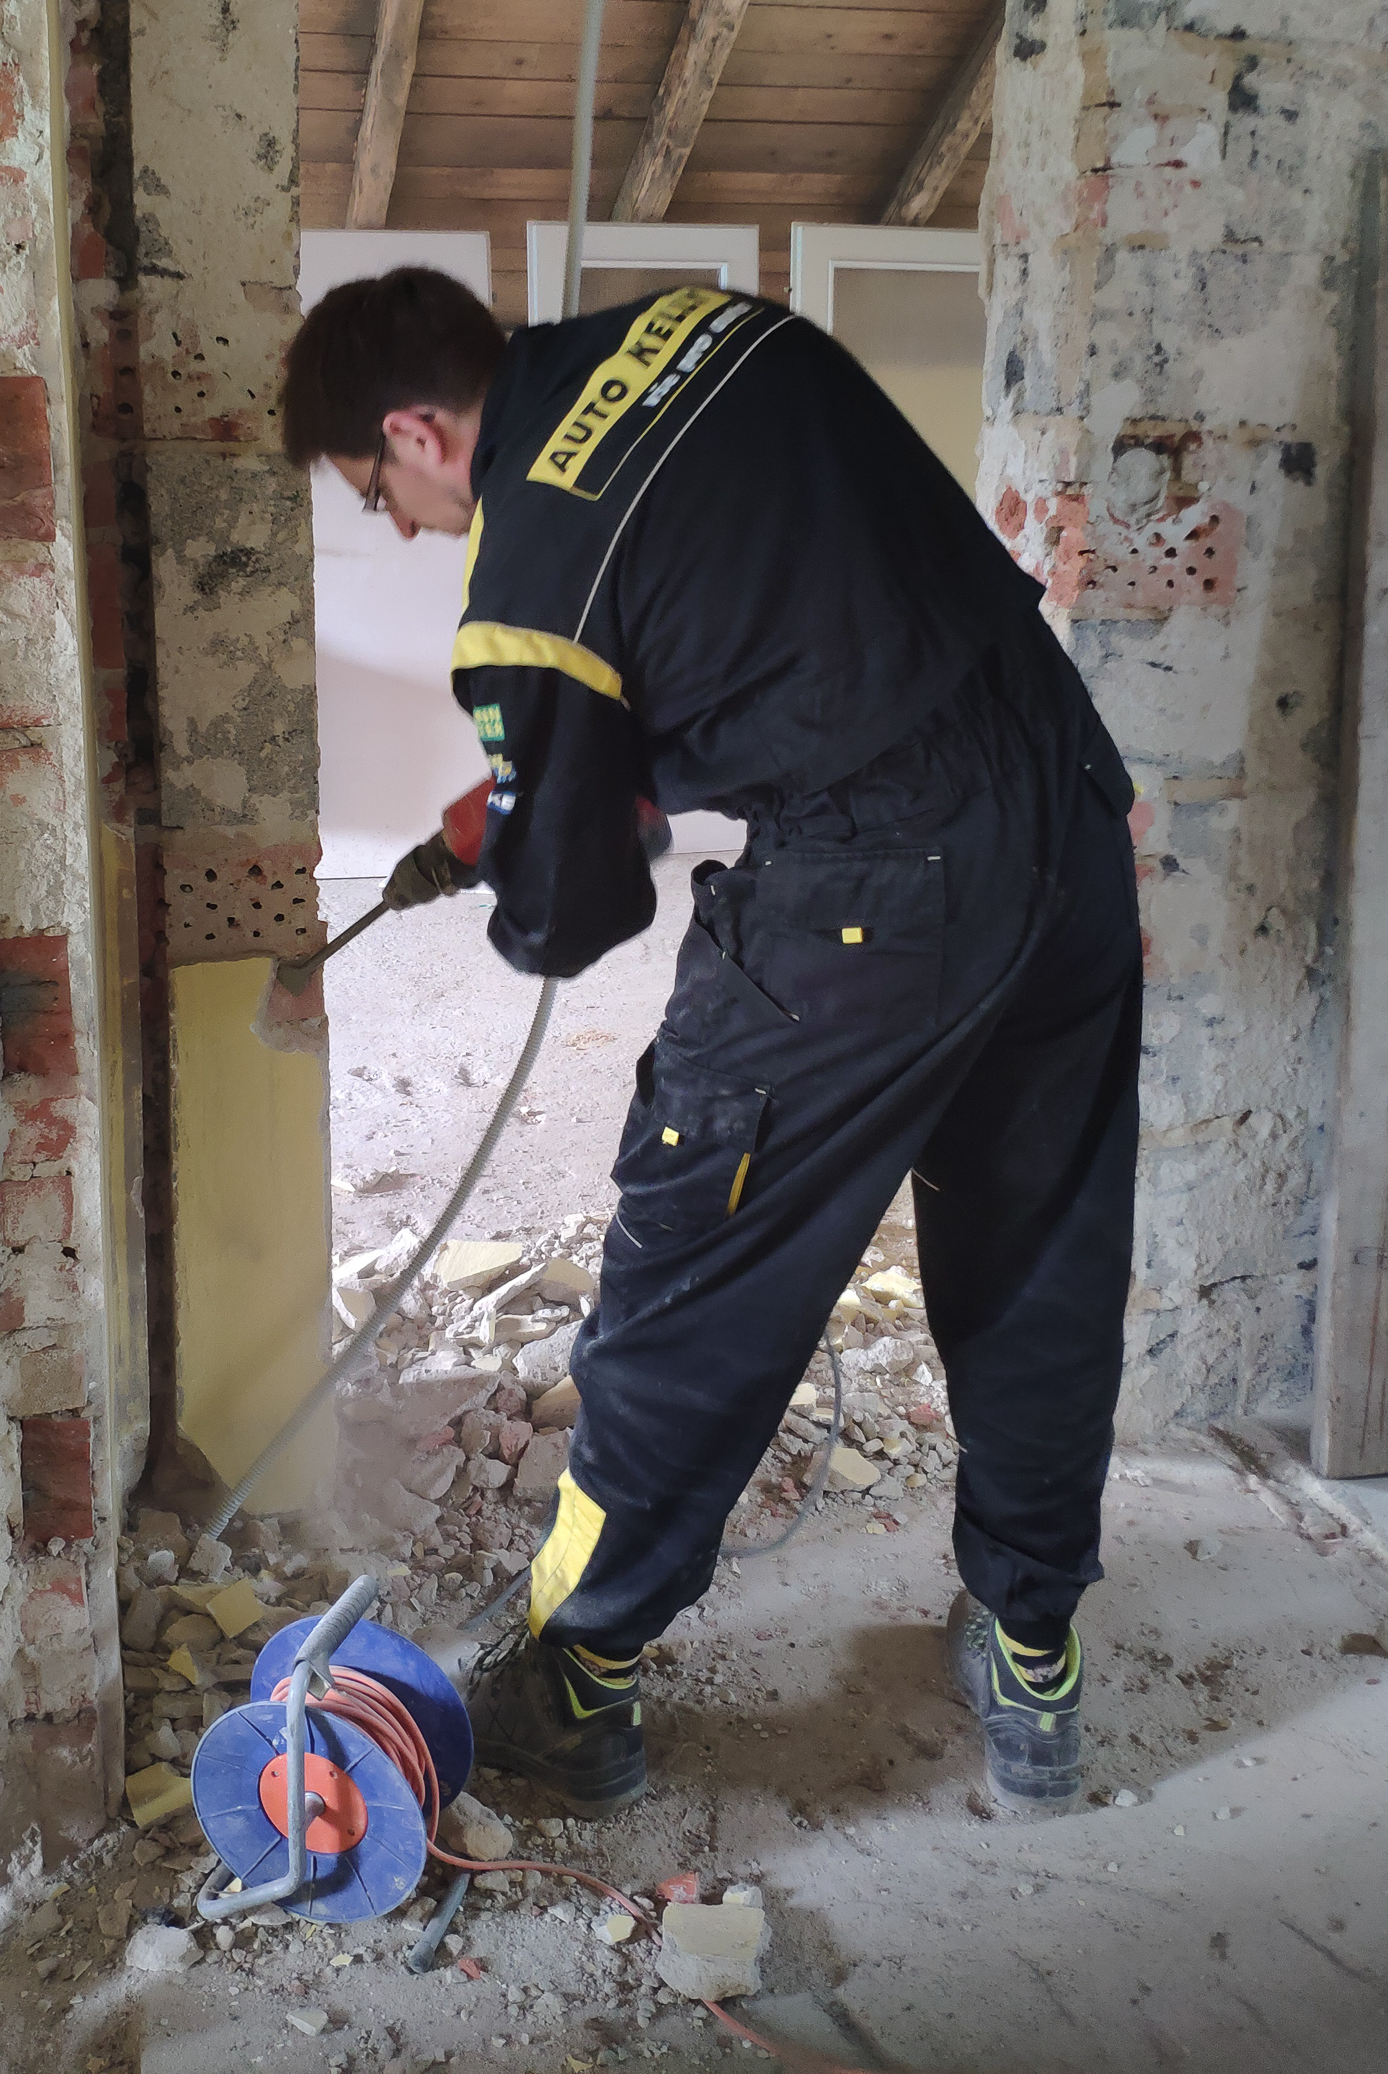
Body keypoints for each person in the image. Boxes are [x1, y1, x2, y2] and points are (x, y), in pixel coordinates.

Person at [281, 267, 1142, 1822]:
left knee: (695, 1261)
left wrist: (537, 824)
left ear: (414, 429)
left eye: (374, 491)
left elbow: (573, 914)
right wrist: (596, 767)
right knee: (1042, 1243)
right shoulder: (711, 327)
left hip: (876, 886)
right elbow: (788, 603)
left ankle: (576, 1683)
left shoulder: (528, 582)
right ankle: (1032, 1653)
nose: (399, 526)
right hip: (1067, 807)